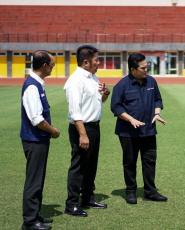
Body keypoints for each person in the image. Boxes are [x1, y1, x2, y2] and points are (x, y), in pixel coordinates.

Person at [110, 53, 167, 205]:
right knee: (129, 162)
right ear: (133, 69)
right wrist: (131, 119)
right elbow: (115, 107)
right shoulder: (121, 85)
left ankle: (150, 191)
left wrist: (157, 113)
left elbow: (157, 99)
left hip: (149, 130)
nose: (146, 70)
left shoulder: (151, 81)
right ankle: (130, 191)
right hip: (127, 132)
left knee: (149, 161)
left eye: (147, 67)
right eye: (143, 68)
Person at [64, 45, 110, 217]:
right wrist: (82, 134)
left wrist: (105, 93)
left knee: (91, 165)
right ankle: (72, 204)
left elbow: (100, 101)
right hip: (81, 128)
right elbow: (74, 111)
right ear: (85, 62)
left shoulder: (93, 77)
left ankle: (88, 198)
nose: (99, 63)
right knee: (79, 167)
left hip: (94, 127)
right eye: (96, 60)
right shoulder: (75, 81)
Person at [20, 50, 60, 230]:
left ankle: (35, 215)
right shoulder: (32, 86)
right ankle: (30, 221)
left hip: (38, 140)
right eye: (52, 65)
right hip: (34, 140)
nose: (53, 68)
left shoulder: (37, 84)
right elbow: (36, 119)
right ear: (44, 66)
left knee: (38, 178)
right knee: (34, 180)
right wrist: (53, 131)